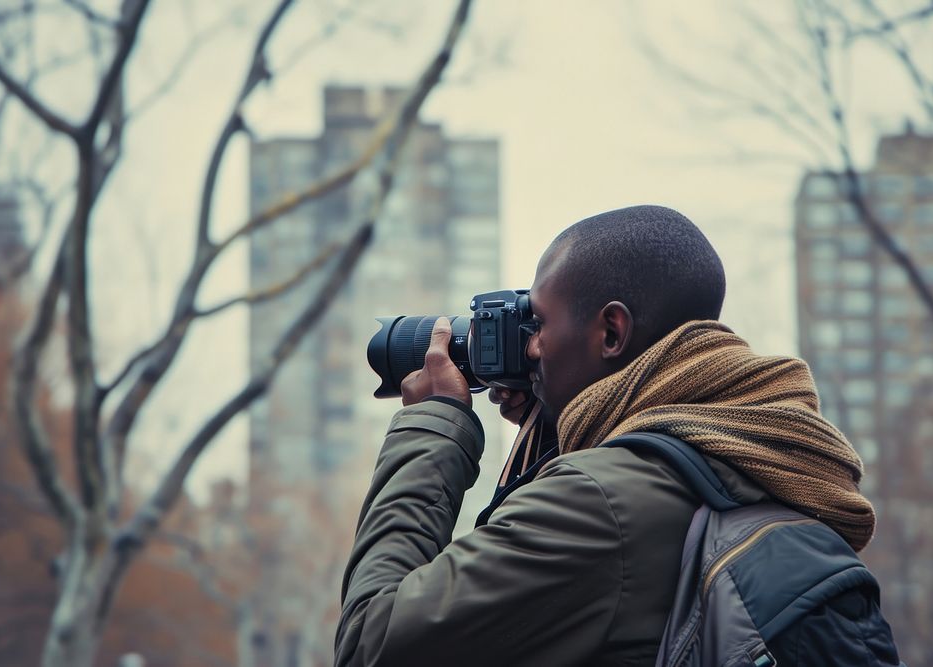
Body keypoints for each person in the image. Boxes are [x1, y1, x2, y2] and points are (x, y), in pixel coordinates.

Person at [335, 205, 898, 666]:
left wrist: (433, 425)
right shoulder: (757, 457)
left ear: (611, 331)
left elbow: (371, 643)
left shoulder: (598, 502)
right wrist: (560, 423)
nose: (530, 348)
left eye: (540, 326)